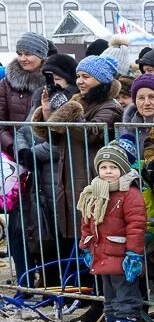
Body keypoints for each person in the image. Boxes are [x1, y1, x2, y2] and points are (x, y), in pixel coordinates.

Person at [40, 55, 124, 246]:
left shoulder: (110, 106)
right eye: (78, 76)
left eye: (85, 76)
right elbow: (55, 138)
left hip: (91, 179)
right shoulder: (79, 103)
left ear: (101, 79)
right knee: (77, 238)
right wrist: (47, 112)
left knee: (93, 236)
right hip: (71, 177)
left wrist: (66, 111)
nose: (79, 81)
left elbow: (91, 133)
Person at [77, 142, 147, 322]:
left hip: (122, 253)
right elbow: (87, 222)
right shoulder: (93, 192)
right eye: (104, 167)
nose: (108, 172)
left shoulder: (130, 194)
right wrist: (86, 245)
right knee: (109, 292)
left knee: (125, 292)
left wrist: (134, 253)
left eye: (113, 167)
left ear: (123, 169)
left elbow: (136, 224)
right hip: (101, 252)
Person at [1, 33, 54, 287]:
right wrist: (14, 147)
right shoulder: (6, 83)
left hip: (45, 159)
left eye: (28, 53)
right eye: (20, 53)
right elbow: (2, 123)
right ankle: (24, 277)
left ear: (42, 56)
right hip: (16, 161)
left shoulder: (50, 81)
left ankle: (48, 275)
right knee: (19, 223)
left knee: (46, 220)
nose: (23, 58)